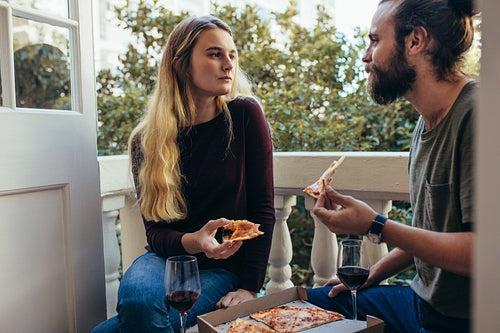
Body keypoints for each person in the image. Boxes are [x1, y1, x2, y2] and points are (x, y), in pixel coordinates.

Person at [92, 16, 275, 333]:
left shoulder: (245, 115)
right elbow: (156, 233)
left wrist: (249, 287)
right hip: (163, 260)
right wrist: (196, 241)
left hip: (223, 269)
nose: (228, 64)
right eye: (214, 54)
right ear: (180, 64)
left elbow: (263, 209)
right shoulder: (145, 141)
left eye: (231, 55)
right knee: (138, 304)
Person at [307, 0, 477, 332]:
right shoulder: (425, 121)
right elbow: (431, 236)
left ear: (415, 41)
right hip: (419, 304)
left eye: (374, 40)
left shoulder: (478, 115)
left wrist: (376, 225)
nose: (365, 55)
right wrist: (371, 276)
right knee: (309, 306)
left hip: (460, 321)